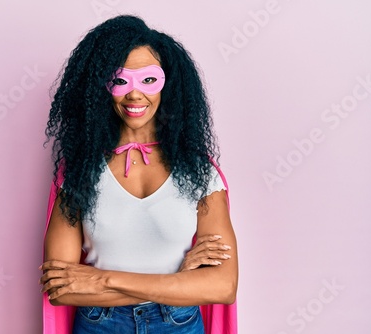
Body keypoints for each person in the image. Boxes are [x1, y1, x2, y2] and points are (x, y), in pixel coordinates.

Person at [39, 15, 238, 334]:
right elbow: (61, 289)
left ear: (168, 85)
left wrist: (102, 279)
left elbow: (223, 287)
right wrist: (181, 283)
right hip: (99, 326)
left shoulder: (200, 172)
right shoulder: (78, 173)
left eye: (148, 80)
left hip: (179, 325)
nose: (135, 95)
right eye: (120, 80)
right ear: (100, 87)